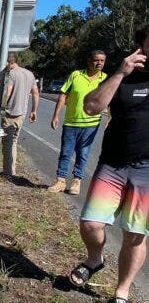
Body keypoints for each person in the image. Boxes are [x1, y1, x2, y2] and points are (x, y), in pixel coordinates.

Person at [69, 25, 149, 303]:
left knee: (135, 233)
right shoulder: (123, 79)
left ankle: (122, 291)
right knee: (90, 223)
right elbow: (91, 106)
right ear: (141, 45)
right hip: (113, 164)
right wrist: (119, 73)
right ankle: (95, 259)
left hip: (147, 171)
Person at [48, 51, 108, 195]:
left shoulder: (106, 79)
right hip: (71, 123)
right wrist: (56, 115)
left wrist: (110, 119)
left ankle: (76, 182)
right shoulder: (76, 75)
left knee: (83, 154)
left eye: (102, 61)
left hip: (91, 125)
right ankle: (60, 181)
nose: (99, 63)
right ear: (89, 61)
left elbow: (111, 100)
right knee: (66, 153)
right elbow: (63, 95)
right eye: (96, 60)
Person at [1, 53, 40, 178]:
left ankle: (8, 172)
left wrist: (0, 108)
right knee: (14, 141)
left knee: (7, 143)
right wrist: (34, 110)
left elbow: (8, 92)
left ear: (8, 63)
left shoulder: (12, 74)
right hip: (22, 113)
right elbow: (35, 93)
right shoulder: (29, 74)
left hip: (10, 112)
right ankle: (11, 170)